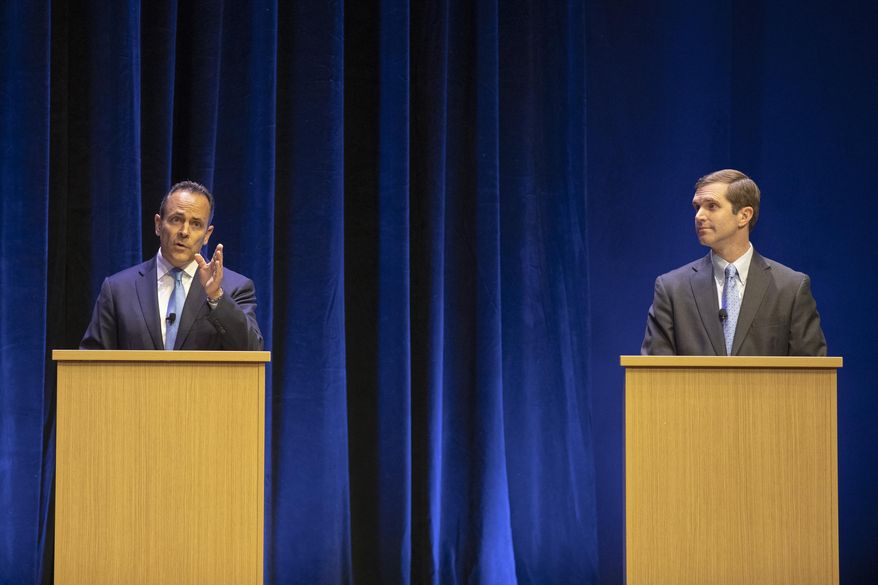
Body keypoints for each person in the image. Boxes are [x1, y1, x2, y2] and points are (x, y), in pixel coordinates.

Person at [641, 169, 826, 356]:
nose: (699, 216)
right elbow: (654, 375)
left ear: (744, 216)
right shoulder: (672, 289)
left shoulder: (790, 288)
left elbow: (812, 375)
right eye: (697, 207)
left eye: (712, 206)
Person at [80, 181, 264, 350]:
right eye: (176, 220)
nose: (184, 232)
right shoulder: (118, 290)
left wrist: (216, 297)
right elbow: (91, 363)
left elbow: (252, 350)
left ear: (207, 235)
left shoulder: (234, 288)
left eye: (196, 224)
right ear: (158, 225)